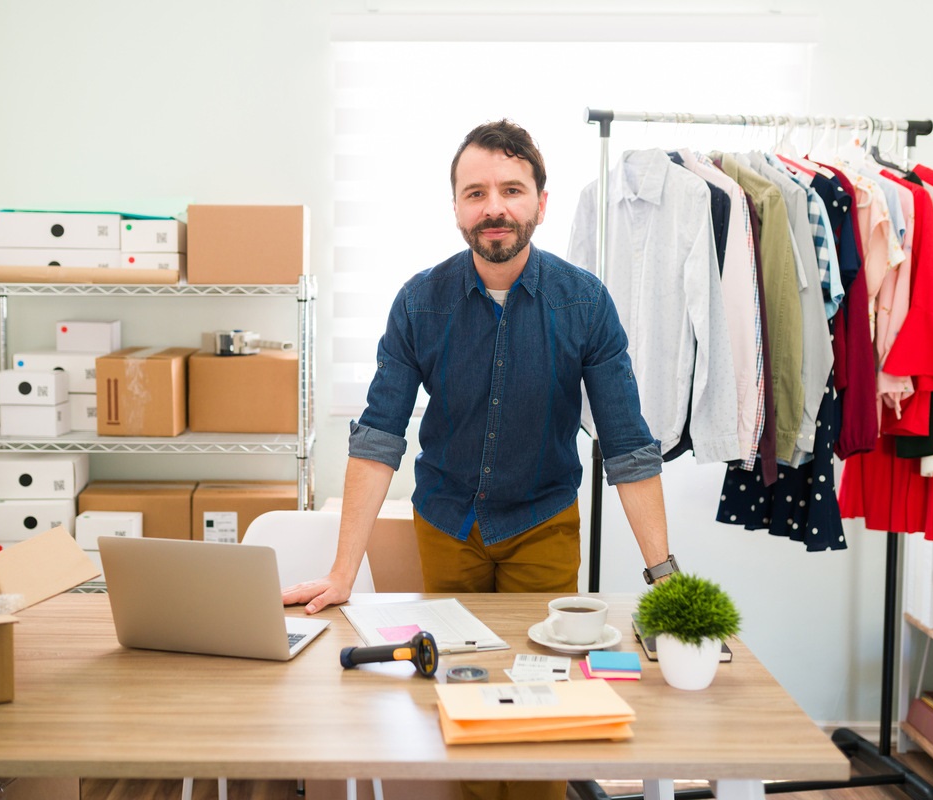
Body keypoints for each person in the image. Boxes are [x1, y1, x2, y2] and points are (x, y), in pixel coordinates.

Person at [283, 119, 674, 799]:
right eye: (476, 192)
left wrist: (664, 577)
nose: (493, 207)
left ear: (540, 203)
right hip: (447, 524)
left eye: (511, 189)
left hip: (543, 524)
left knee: (539, 706)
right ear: (458, 207)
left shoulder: (585, 303)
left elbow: (628, 446)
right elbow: (378, 437)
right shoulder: (419, 302)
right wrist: (343, 572)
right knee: (459, 695)